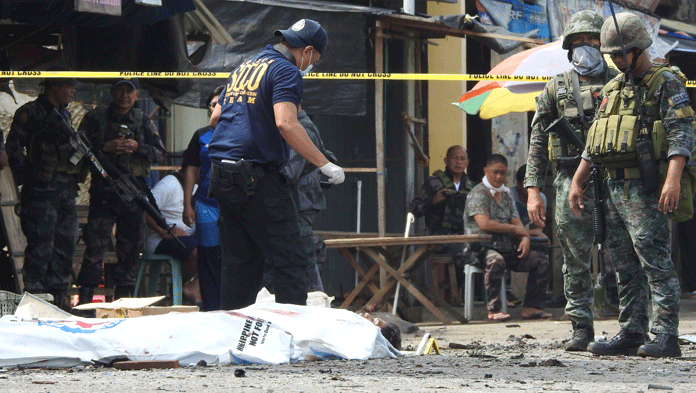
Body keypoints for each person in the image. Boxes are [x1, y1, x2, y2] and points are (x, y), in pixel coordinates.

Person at [569, 12, 695, 358]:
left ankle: (666, 334)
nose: (616, 61)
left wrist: (672, 181)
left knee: (654, 261)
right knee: (623, 264)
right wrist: (577, 182)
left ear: (640, 49)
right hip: (613, 188)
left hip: (647, 188)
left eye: (621, 55)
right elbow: (595, 141)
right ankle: (632, 330)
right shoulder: (613, 87)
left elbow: (681, 133)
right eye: (612, 56)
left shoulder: (665, 81)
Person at [207, 19, 345, 310]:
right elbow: (286, 122)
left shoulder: (245, 67)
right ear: (306, 51)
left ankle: (235, 339)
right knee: (291, 261)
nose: (311, 66)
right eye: (314, 60)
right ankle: (290, 342)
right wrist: (324, 164)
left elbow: (215, 118)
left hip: (221, 176)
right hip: (256, 178)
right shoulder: (285, 70)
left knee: (240, 265)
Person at [524, 10, 620, 351]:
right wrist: (533, 189)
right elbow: (537, 139)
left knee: (624, 255)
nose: (585, 47)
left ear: (603, 43)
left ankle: (631, 324)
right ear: (569, 47)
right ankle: (581, 325)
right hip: (568, 183)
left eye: (591, 41)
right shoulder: (557, 86)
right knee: (574, 258)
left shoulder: (619, 81)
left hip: (616, 180)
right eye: (578, 42)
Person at [76, 77, 166, 303]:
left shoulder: (143, 120)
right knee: (95, 250)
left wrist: (138, 147)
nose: (124, 96)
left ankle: (122, 301)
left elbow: (159, 153)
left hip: (133, 197)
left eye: (130, 91)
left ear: (136, 95)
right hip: (103, 195)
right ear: (112, 91)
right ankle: (86, 300)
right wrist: (106, 147)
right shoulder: (95, 118)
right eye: (120, 90)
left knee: (130, 252)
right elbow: (78, 148)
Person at [5, 73, 84, 310]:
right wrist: (30, 178)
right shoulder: (31, 113)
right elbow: (14, 149)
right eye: (68, 85)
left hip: (65, 195)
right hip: (40, 196)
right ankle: (36, 302)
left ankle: (59, 303)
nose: (72, 91)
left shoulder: (65, 115)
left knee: (65, 246)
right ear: (53, 87)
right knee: (41, 248)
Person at [464, 154, 551, 322]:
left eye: (502, 173)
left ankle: (531, 307)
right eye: (495, 172)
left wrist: (524, 238)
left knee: (540, 260)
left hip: (506, 246)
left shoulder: (507, 195)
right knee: (496, 261)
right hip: (480, 248)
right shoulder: (478, 193)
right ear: (486, 171)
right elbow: (484, 224)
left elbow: (518, 224)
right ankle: (494, 309)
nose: (499, 177)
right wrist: (515, 230)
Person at [267, 106, 335, 292]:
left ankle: (313, 310)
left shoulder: (301, 130)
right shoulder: (292, 127)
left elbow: (287, 172)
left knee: (302, 267)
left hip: (297, 207)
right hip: (290, 207)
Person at [182, 85, 224, 311]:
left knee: (233, 255)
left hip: (234, 206)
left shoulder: (241, 133)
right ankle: (211, 308)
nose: (217, 108)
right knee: (208, 255)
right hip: (207, 204)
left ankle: (233, 306)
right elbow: (190, 169)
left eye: (221, 103)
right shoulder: (200, 135)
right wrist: (187, 203)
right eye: (212, 104)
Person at [410, 145, 474, 296]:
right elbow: (414, 209)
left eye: (462, 158)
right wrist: (433, 201)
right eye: (454, 158)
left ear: (467, 162)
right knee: (465, 252)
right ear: (446, 160)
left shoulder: (471, 186)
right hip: (438, 238)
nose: (458, 162)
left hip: (462, 237)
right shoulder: (433, 182)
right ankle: (455, 296)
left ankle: (466, 296)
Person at [144, 170, 202, 305]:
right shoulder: (169, 184)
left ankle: (190, 286)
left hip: (187, 237)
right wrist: (163, 231)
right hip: (160, 239)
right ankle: (182, 286)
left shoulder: (196, 185)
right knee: (198, 252)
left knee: (216, 249)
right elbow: (144, 208)